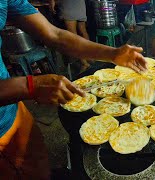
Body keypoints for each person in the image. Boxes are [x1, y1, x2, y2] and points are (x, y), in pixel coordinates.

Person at [0, 0, 146, 178]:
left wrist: (112, 54)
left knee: (36, 164)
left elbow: (54, 34)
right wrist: (28, 86)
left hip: (12, 110)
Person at [49, 0, 92, 72]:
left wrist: (52, 3)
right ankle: (89, 57)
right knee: (83, 31)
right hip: (79, 3)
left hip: (67, 4)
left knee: (73, 35)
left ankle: (84, 63)